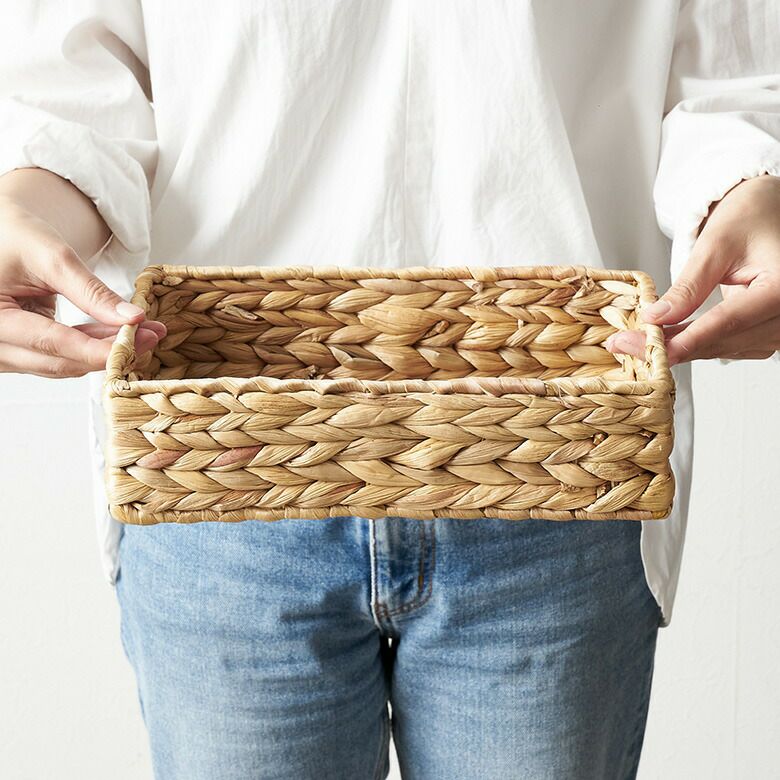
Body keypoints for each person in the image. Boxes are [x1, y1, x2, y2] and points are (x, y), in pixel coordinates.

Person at [1, 2, 778, 778]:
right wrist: (25, 213)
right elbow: (77, 89)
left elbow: (725, 71)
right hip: (216, 482)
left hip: (563, 476)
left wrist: (749, 192)